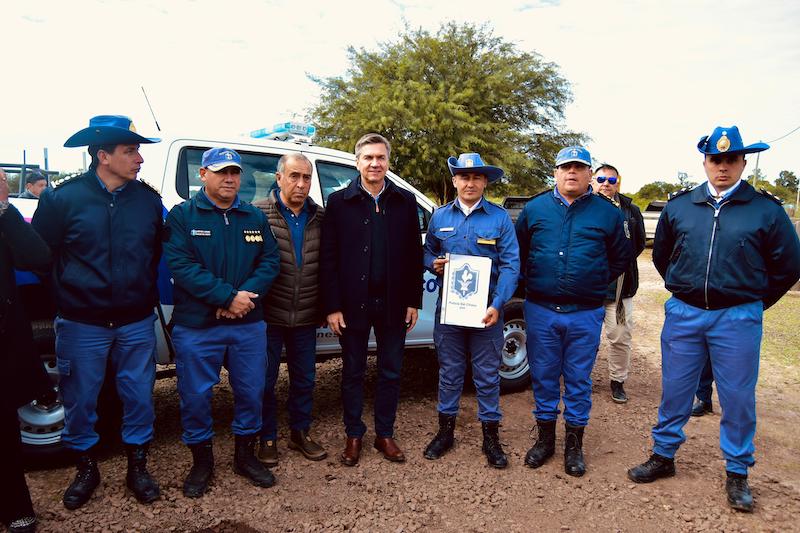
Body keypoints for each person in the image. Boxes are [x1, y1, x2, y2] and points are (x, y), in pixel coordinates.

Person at [627, 126, 800, 512]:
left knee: (737, 397)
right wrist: (685, 287)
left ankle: (737, 471)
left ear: (743, 162)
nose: (723, 166)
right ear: (705, 162)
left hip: (737, 318)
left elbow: (788, 266)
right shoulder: (680, 206)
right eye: (715, 159)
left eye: (731, 159)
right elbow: (664, 256)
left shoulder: (766, 210)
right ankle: (663, 455)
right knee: (675, 390)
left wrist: (752, 304)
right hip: (685, 314)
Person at [32, 115, 164, 510]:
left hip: (135, 321)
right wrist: (68, 294)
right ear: (103, 156)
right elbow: (42, 256)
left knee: (139, 396)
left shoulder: (148, 200)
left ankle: (137, 467)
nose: (139, 158)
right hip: (81, 323)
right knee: (79, 399)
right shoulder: (62, 199)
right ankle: (86, 469)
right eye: (130, 151)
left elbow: (154, 253)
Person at [164, 147, 280, 497]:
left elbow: (270, 262)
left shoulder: (253, 216)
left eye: (234, 172)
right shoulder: (183, 215)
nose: (229, 179)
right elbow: (181, 265)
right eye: (221, 172)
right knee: (195, 396)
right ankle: (202, 462)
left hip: (248, 323)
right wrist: (227, 297)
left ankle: (245, 456)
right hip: (198, 325)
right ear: (203, 175)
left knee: (252, 391)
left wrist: (242, 299)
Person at [515, 146, 632, 476]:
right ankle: (545, 441)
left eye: (579, 167)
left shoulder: (608, 213)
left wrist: (592, 280)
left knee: (579, 379)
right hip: (541, 310)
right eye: (565, 167)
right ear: (555, 172)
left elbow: (620, 258)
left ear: (589, 174)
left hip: (585, 313)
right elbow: (518, 252)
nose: (571, 172)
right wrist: (534, 280)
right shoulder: (535, 209)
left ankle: (574, 445)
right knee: (543, 376)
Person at [320, 133, 423, 466]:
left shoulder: (405, 201)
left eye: (380, 157)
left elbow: (414, 254)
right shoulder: (339, 202)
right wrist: (333, 306)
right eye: (368, 158)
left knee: (391, 371)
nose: (375, 163)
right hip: (353, 305)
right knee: (353, 371)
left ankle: (384, 434)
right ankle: (354, 434)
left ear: (388, 162)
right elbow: (328, 258)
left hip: (393, 303)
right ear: (357, 162)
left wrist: (413, 301)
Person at [422, 153, 519, 468]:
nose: (470, 183)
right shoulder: (439, 217)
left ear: (485, 182)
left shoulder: (499, 219)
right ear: (455, 181)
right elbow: (428, 251)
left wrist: (498, 304)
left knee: (487, 375)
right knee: (450, 373)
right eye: (464, 177)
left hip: (486, 312)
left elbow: (511, 265)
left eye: (477, 177)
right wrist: (432, 263)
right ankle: (445, 433)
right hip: (449, 311)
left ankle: (491, 437)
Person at [252, 153, 327, 466]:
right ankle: (267, 437)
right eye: (294, 176)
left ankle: (300, 432)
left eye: (306, 177)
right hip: (268, 316)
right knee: (264, 381)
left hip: (306, 316)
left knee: (305, 379)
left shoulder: (320, 217)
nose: (301, 183)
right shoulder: (257, 213)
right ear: (279, 177)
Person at [1, 170, 55, 533]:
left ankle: (15, 506)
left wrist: (4, 208)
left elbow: (38, 256)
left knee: (4, 429)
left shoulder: (4, 217)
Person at [591, 164, 646, 403]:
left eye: (611, 180)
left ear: (618, 182)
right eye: (601, 179)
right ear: (592, 181)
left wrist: (617, 264)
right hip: (588, 290)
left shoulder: (630, 211)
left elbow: (639, 244)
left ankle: (617, 381)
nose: (606, 183)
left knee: (620, 337)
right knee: (585, 339)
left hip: (620, 289)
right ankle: (581, 379)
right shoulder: (582, 207)